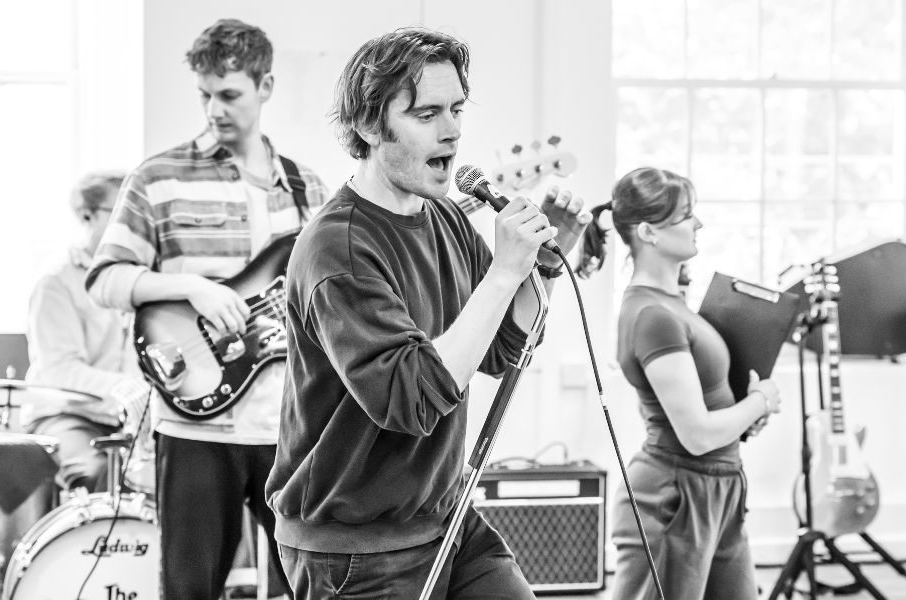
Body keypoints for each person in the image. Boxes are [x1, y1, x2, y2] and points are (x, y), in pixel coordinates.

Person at [264, 27, 592, 599]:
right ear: (369, 125)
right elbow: (411, 398)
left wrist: (539, 268)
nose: (453, 130)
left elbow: (495, 351)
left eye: (457, 109)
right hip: (355, 550)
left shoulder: (445, 219)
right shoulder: (338, 249)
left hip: (447, 520)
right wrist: (506, 272)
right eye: (427, 113)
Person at [86, 18, 327, 600]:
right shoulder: (158, 177)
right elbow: (106, 278)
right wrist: (191, 286)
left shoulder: (309, 190)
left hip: (289, 426)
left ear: (266, 86)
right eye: (205, 96)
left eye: (229, 94)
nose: (214, 110)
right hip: (194, 423)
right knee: (189, 589)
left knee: (311, 586)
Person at [579, 167, 782, 599]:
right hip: (675, 498)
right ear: (650, 232)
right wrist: (760, 402)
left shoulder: (674, 305)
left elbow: (705, 411)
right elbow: (695, 434)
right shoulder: (653, 316)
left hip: (720, 487)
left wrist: (742, 420)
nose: (699, 224)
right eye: (687, 215)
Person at [24, 171, 142, 493]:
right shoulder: (56, 282)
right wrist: (129, 389)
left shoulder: (142, 278)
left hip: (125, 418)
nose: (133, 223)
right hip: (66, 416)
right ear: (86, 215)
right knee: (98, 471)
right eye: (121, 212)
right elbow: (59, 371)